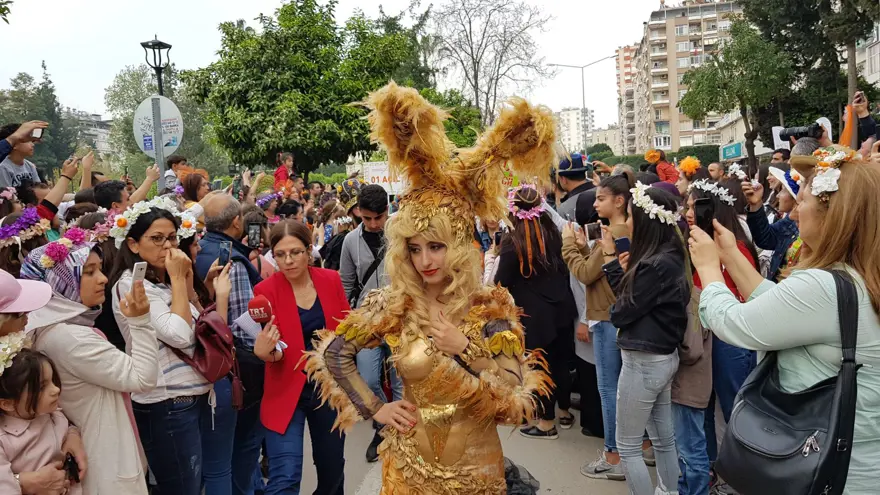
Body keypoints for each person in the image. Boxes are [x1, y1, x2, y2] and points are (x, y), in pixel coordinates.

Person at [304, 82, 553, 494]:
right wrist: (377, 408)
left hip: (476, 475)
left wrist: (466, 350)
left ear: (458, 247)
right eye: (414, 249)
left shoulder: (490, 309)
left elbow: (514, 403)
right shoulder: (395, 306)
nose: (426, 261)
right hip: (407, 470)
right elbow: (335, 352)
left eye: (436, 247)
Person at [688, 146, 880, 494]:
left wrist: (707, 269)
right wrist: (730, 253)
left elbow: (737, 323)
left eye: (802, 200)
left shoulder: (823, 286)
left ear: (831, 215)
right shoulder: (855, 278)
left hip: (826, 473)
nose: (791, 214)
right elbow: (777, 306)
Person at [21, 228, 159, 495]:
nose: (104, 279)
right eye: (89, 272)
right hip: (106, 462)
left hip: (94, 452)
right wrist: (140, 321)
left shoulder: (52, 329)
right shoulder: (71, 337)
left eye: (100, 269)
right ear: (58, 282)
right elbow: (144, 378)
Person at [108, 197, 213, 495]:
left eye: (171, 238)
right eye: (156, 238)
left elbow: (198, 321)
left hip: (190, 399)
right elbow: (180, 335)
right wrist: (179, 280)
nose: (167, 246)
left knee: (193, 484)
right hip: (167, 404)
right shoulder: (132, 284)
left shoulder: (163, 281)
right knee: (182, 487)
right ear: (132, 245)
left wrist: (187, 285)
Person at [248, 220, 349, 494]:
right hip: (285, 390)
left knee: (331, 473)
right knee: (285, 478)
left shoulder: (331, 280)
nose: (288, 261)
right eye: (280, 254)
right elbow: (274, 345)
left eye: (295, 252)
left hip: (327, 389)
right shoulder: (265, 291)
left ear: (308, 251)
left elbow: (347, 329)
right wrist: (264, 352)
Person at [601, 183, 688, 495]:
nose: (629, 222)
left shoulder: (654, 264)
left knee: (627, 446)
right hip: (662, 357)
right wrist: (621, 271)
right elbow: (632, 302)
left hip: (644, 362)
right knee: (664, 441)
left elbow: (621, 314)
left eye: (632, 215)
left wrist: (613, 259)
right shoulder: (671, 256)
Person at [560, 172, 634, 480]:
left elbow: (586, 274)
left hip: (606, 318)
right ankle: (637, 446)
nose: (596, 202)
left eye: (601, 198)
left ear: (619, 201)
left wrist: (568, 246)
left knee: (609, 389)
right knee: (625, 388)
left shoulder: (614, 235)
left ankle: (613, 454)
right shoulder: (627, 229)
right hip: (618, 316)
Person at [685, 179, 758, 475]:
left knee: (734, 409)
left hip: (729, 339)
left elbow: (747, 293)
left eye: (694, 206)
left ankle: (743, 474)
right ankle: (712, 468)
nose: (688, 212)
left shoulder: (734, 248)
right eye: (687, 206)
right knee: (702, 404)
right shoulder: (693, 243)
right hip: (702, 337)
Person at [194, 194, 266, 494]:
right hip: (238, 369)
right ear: (237, 221)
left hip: (213, 365)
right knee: (243, 446)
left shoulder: (203, 250)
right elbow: (242, 323)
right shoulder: (231, 261)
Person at [495, 186, 577, 440]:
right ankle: (564, 411)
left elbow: (501, 281)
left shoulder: (513, 241)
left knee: (538, 367)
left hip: (534, 314)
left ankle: (546, 422)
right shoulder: (554, 233)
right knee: (561, 362)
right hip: (562, 306)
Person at [338, 182, 401, 462]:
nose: (374, 224)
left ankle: (401, 434)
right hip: (366, 321)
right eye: (367, 219)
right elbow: (345, 283)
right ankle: (384, 423)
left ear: (388, 211)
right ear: (358, 215)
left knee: (403, 382)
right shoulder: (350, 241)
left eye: (379, 217)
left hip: (402, 318)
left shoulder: (402, 232)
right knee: (367, 379)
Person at [0, 348, 83, 495]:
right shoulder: (4, 440)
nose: (56, 389)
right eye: (42, 387)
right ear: (7, 404)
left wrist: (73, 434)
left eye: (53, 381)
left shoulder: (50, 414)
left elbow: (67, 425)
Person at [743, 167, 800, 281]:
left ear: (796, 198)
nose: (778, 196)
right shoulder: (790, 221)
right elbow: (766, 238)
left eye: (783, 190)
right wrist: (756, 205)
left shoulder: (816, 232)